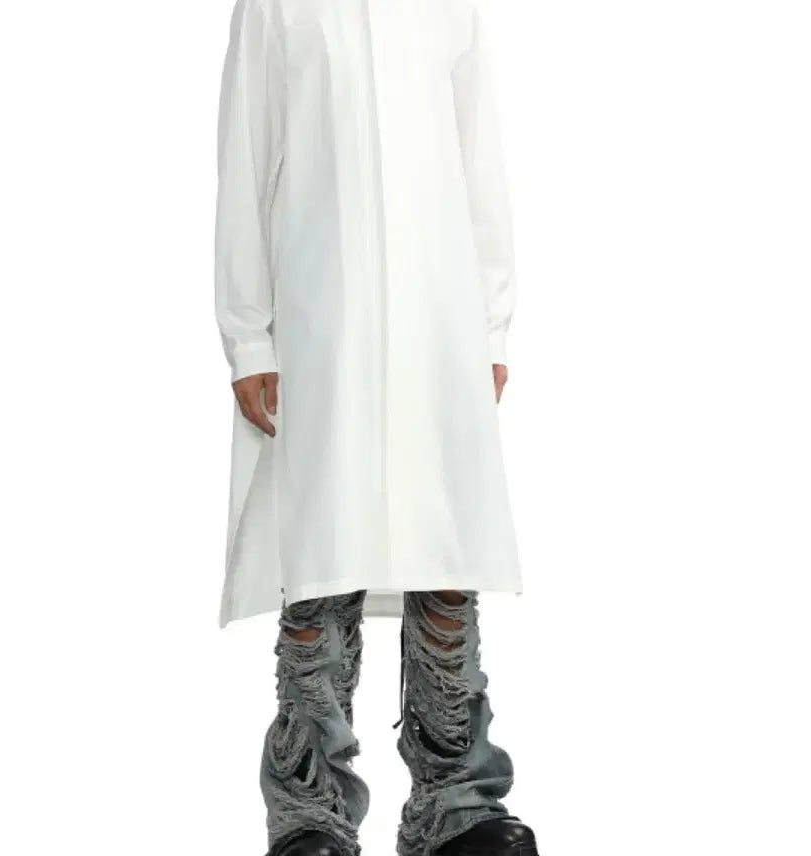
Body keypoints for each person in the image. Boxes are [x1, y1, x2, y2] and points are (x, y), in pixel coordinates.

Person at [214, 0, 539, 854]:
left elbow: (477, 157)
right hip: (323, 320)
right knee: (322, 559)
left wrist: (491, 325)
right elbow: (246, 160)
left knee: (445, 554)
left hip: (439, 319)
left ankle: (455, 803)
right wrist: (249, 335)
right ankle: (309, 812)